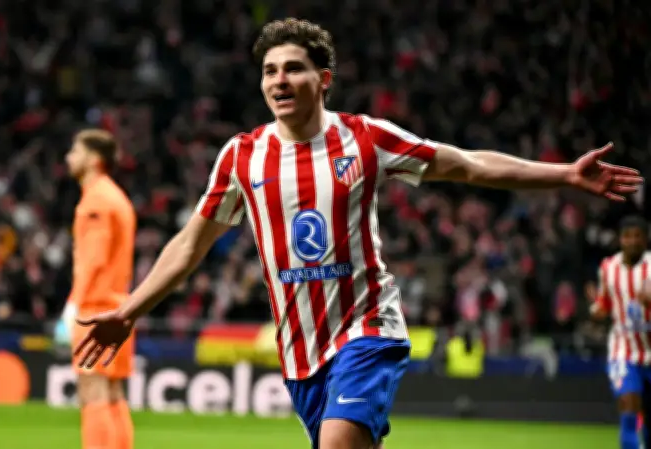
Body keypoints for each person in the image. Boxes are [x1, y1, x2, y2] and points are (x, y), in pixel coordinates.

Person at [74, 18, 644, 449]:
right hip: (300, 351)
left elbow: (468, 165)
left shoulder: (365, 139)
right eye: (269, 71)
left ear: (323, 80)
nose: (279, 80)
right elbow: (189, 245)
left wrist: (564, 175)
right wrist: (131, 311)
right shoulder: (242, 156)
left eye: (293, 68)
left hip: (366, 328)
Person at [57, 128, 136, 449]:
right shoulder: (116, 197)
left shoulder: (97, 200)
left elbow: (94, 258)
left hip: (96, 308)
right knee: (113, 392)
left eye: (75, 151)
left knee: (93, 390)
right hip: (118, 305)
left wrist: (74, 303)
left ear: (93, 159)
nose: (68, 158)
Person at [592, 215, 651, 449]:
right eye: (628, 236)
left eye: (638, 236)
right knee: (629, 404)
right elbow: (604, 303)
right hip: (623, 350)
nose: (633, 241)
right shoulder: (608, 268)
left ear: (646, 240)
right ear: (620, 239)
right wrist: (596, 310)